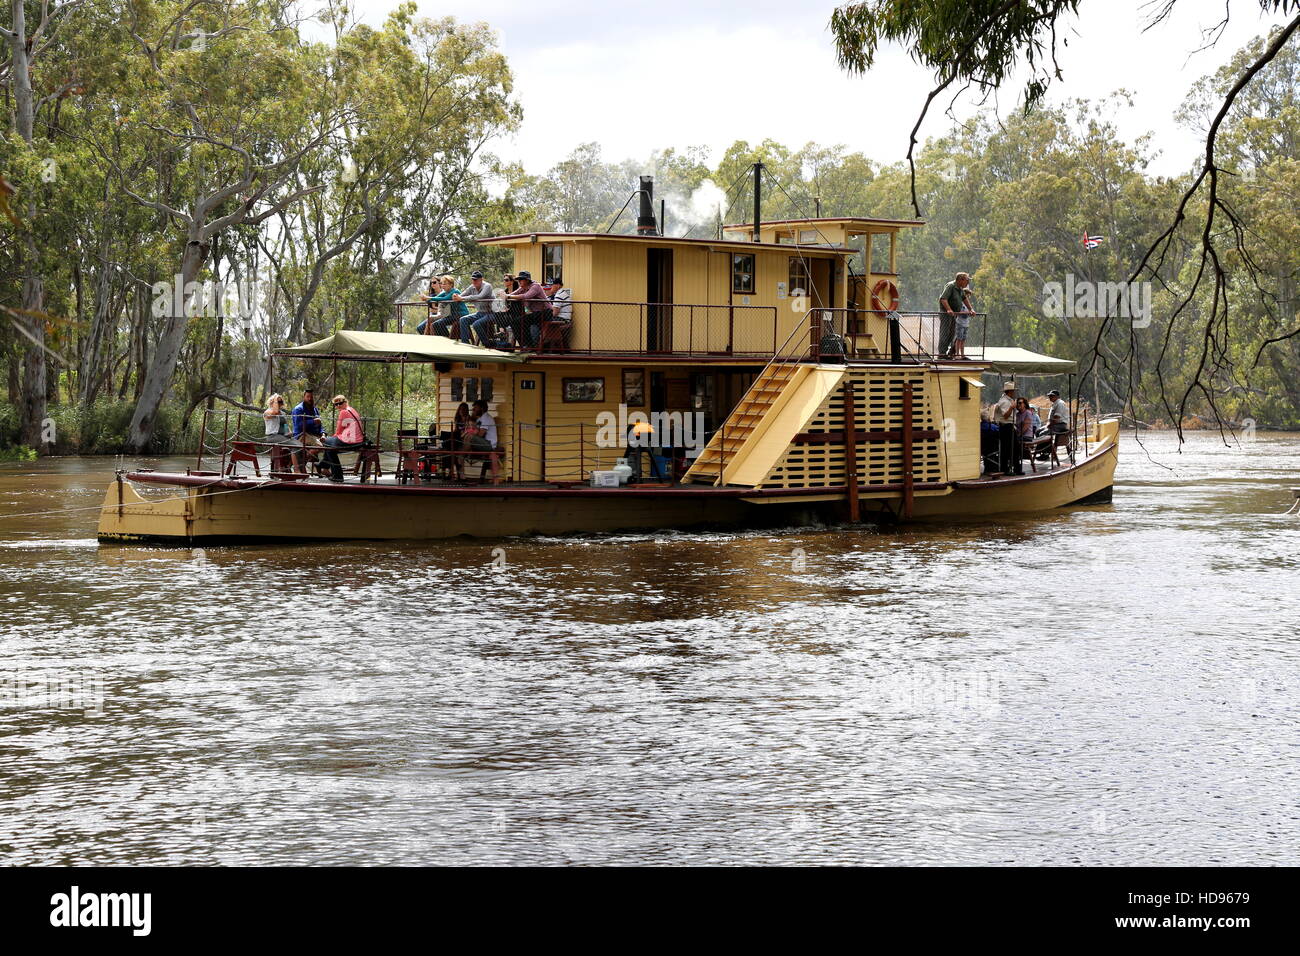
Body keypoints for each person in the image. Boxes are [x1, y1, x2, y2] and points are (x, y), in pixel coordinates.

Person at [320, 394, 364, 482]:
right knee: (330, 446)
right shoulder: (352, 409)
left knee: (327, 442)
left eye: (340, 403)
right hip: (358, 440)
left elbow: (338, 431)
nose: (338, 406)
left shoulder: (343, 412)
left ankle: (334, 473)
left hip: (350, 440)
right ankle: (326, 468)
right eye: (336, 405)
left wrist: (330, 439)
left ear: (345, 402)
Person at [505, 270, 551, 348]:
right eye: (518, 279)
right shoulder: (522, 287)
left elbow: (526, 296)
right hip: (535, 313)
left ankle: (528, 345)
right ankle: (526, 345)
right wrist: (506, 295)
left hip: (545, 312)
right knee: (516, 322)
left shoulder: (536, 286)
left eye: (521, 279)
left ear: (527, 280)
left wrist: (508, 296)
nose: (519, 281)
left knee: (518, 321)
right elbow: (513, 294)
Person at [457, 271, 502, 348]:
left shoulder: (487, 286)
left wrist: (462, 298)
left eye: (476, 279)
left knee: (476, 324)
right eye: (473, 279)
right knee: (463, 319)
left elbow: (480, 296)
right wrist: (456, 296)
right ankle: (465, 344)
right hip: (480, 313)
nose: (474, 281)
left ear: (481, 279)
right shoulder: (472, 287)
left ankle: (488, 344)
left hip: (492, 313)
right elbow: (461, 295)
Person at [938, 272, 973, 358]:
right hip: (946, 314)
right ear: (960, 280)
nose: (968, 282)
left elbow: (964, 298)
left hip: (954, 314)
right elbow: (943, 299)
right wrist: (949, 309)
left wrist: (971, 309)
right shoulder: (951, 286)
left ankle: (951, 352)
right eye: (966, 280)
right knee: (945, 333)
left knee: (952, 334)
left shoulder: (960, 288)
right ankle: (942, 354)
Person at [464, 398, 500, 484]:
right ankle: (464, 454)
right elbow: (476, 431)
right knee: (468, 436)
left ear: (482, 408)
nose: (473, 410)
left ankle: (463, 455)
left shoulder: (486, 418)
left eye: (475, 408)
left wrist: (474, 430)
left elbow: (480, 434)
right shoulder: (480, 419)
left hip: (489, 444)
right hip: (483, 443)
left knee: (470, 437)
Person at [262, 394, 301, 471]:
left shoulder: (282, 413)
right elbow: (275, 412)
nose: (279, 403)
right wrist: (276, 399)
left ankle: (288, 466)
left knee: (301, 445)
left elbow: (285, 425)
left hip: (283, 436)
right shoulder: (267, 412)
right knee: (295, 446)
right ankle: (296, 470)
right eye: (277, 401)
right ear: (272, 402)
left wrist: (289, 432)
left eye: (280, 401)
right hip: (272, 436)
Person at [992, 382, 1022, 475]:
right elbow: (1005, 416)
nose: (1015, 392)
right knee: (1006, 449)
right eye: (1013, 391)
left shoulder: (1008, 400)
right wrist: (1011, 408)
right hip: (1006, 427)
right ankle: (1005, 470)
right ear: (1010, 391)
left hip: (1009, 426)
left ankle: (1016, 469)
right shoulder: (1004, 401)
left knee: (1014, 448)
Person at [430, 275, 471, 342]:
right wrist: (427, 299)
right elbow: (437, 298)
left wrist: (428, 298)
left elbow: (444, 299)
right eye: (442, 284)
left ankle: (448, 340)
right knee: (436, 324)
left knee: (439, 323)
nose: (443, 286)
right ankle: (446, 339)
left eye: (445, 284)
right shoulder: (444, 292)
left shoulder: (455, 291)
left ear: (451, 284)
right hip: (453, 315)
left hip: (461, 314)